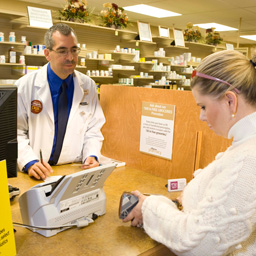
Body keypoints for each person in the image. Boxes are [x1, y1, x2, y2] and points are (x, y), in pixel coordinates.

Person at [123, 50, 256, 256]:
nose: (202, 116)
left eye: (203, 106)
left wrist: (149, 207)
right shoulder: (245, 143)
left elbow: (196, 244)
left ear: (230, 101)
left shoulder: (249, 158)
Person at [16, 23, 105, 180]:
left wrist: (92, 154)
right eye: (62, 51)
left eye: (74, 50)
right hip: (38, 172)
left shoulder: (88, 85)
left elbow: (93, 128)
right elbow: (16, 132)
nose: (70, 57)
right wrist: (28, 161)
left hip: (74, 171)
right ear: (47, 53)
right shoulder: (25, 86)